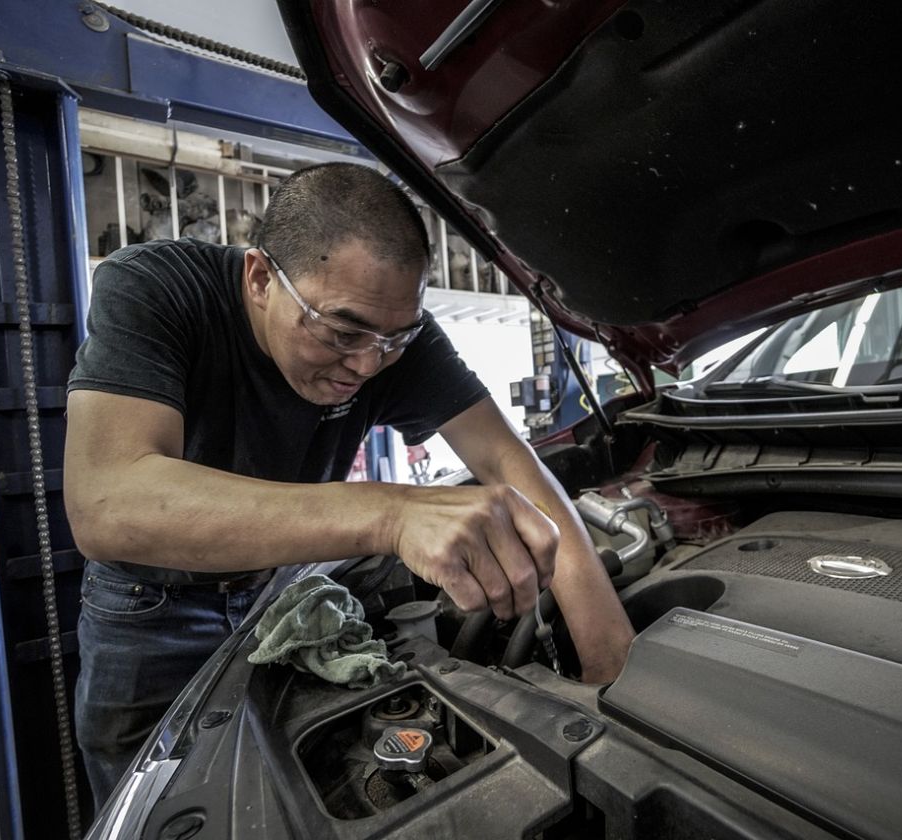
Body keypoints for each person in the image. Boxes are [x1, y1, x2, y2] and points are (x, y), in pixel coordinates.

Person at [63, 163, 635, 811]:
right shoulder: (157, 288)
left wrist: (611, 665)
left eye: (395, 338)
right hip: (151, 608)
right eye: (341, 332)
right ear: (259, 278)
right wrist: (391, 514)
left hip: (281, 590)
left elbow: (509, 463)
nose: (367, 364)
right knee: (155, 805)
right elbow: (107, 503)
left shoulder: (392, 338)